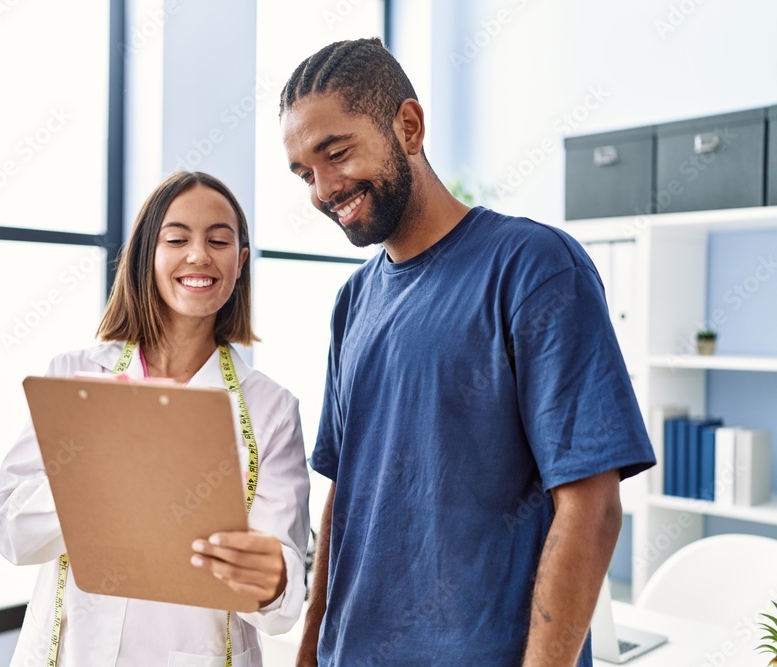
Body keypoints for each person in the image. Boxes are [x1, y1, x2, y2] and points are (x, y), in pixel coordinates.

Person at [279, 38, 656, 666]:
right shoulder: (352, 302)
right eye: (304, 174)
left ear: (408, 126)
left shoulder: (533, 267)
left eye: (336, 154)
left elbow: (591, 505)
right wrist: (311, 650)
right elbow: (345, 497)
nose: (323, 189)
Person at [0, 171, 310, 666]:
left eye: (219, 241)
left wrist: (274, 579)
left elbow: (279, 604)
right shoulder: (74, 376)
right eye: (176, 239)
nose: (199, 255)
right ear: (146, 256)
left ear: (240, 263)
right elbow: (6, 529)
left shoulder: (271, 410)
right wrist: (92, 471)